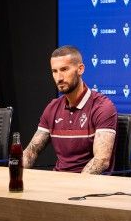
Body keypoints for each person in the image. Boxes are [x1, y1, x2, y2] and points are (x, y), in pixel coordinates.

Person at [23, 45, 117, 173]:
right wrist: (13, 175)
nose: (59, 78)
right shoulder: (52, 108)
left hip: (88, 187)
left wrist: (74, 187)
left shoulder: (102, 107)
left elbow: (101, 160)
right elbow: (31, 151)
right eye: (54, 71)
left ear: (80, 69)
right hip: (57, 182)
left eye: (64, 69)